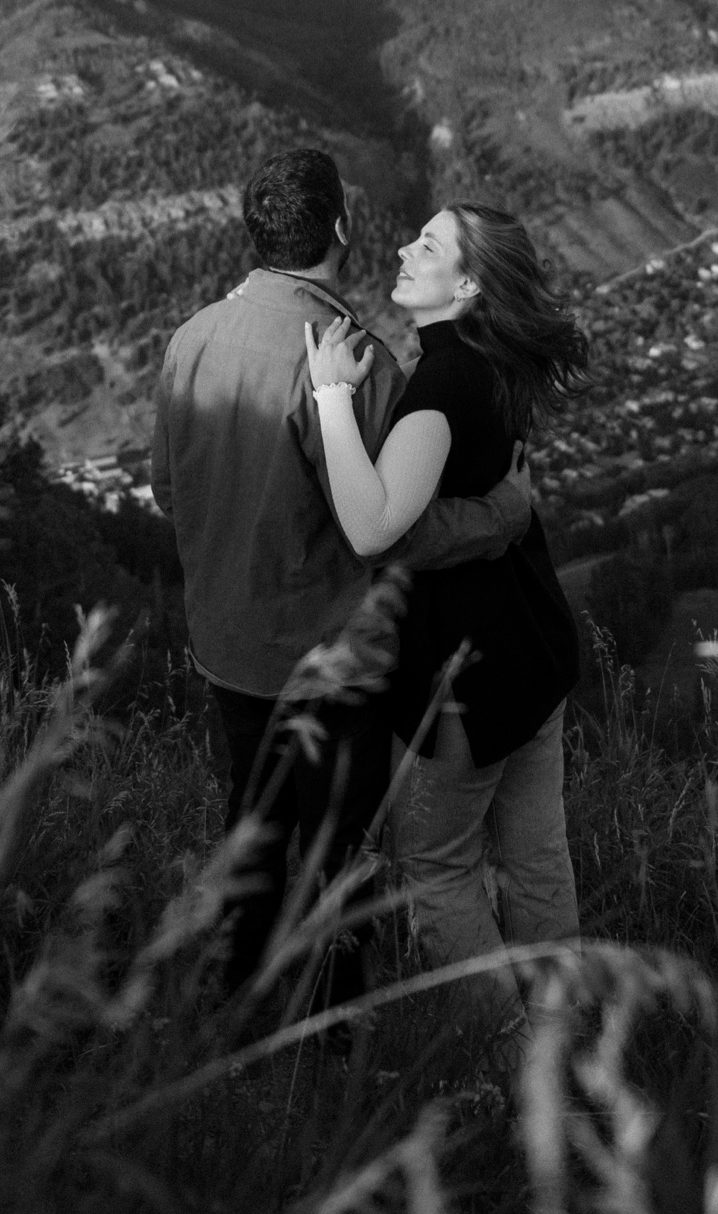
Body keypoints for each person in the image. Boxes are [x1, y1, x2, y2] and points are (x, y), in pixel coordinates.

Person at [150, 149, 533, 1003]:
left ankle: (239, 1015)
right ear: (342, 229)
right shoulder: (356, 363)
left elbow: (166, 489)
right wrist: (501, 517)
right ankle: (334, 1038)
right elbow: (394, 531)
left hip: (227, 648)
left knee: (251, 831)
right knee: (340, 860)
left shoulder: (190, 340)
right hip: (330, 662)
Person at [303, 200, 588, 1043]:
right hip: (534, 656)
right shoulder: (498, 363)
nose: (402, 246)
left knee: (438, 871)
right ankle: (560, 1039)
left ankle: (507, 1057)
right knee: (538, 859)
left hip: (464, 675)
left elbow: (373, 525)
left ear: (465, 284)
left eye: (426, 244)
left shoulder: (444, 380)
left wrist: (327, 397)